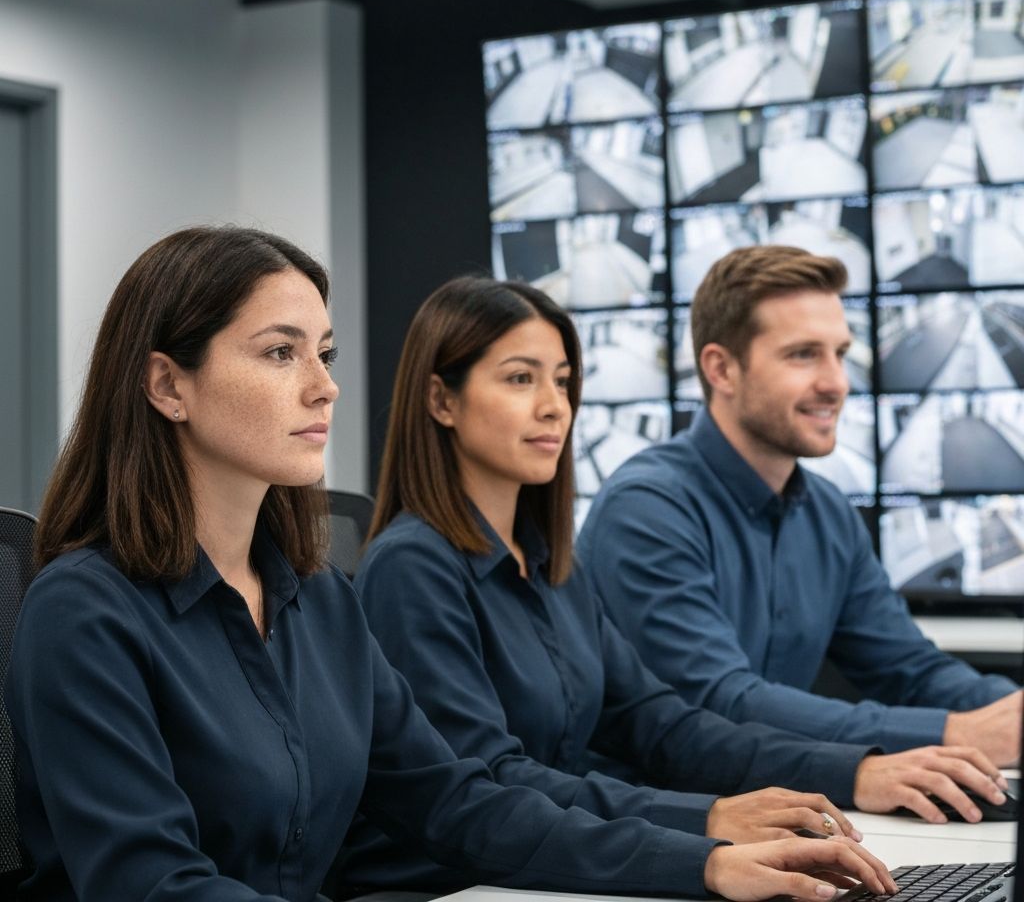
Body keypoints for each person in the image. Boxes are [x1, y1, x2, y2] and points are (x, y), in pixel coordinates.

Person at [4, 227, 897, 902]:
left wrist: (703, 863)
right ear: (168, 385)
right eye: (280, 353)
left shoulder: (318, 599)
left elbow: (458, 799)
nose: (324, 386)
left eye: (324, 354)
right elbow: (155, 887)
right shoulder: (85, 612)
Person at [340, 276, 1007, 895]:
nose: (554, 407)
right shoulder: (413, 569)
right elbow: (489, 786)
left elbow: (660, 724)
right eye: (520, 379)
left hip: (555, 866)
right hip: (456, 884)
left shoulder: (548, 564)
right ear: (441, 400)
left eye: (564, 381)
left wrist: (851, 772)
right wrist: (707, 821)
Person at [578, 245, 1022, 779]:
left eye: (840, 352)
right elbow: (720, 703)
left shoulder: (828, 512)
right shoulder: (646, 510)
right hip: (657, 830)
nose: (837, 382)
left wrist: (1007, 712)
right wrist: (955, 734)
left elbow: (910, 670)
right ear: (721, 369)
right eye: (803, 354)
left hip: (781, 809)